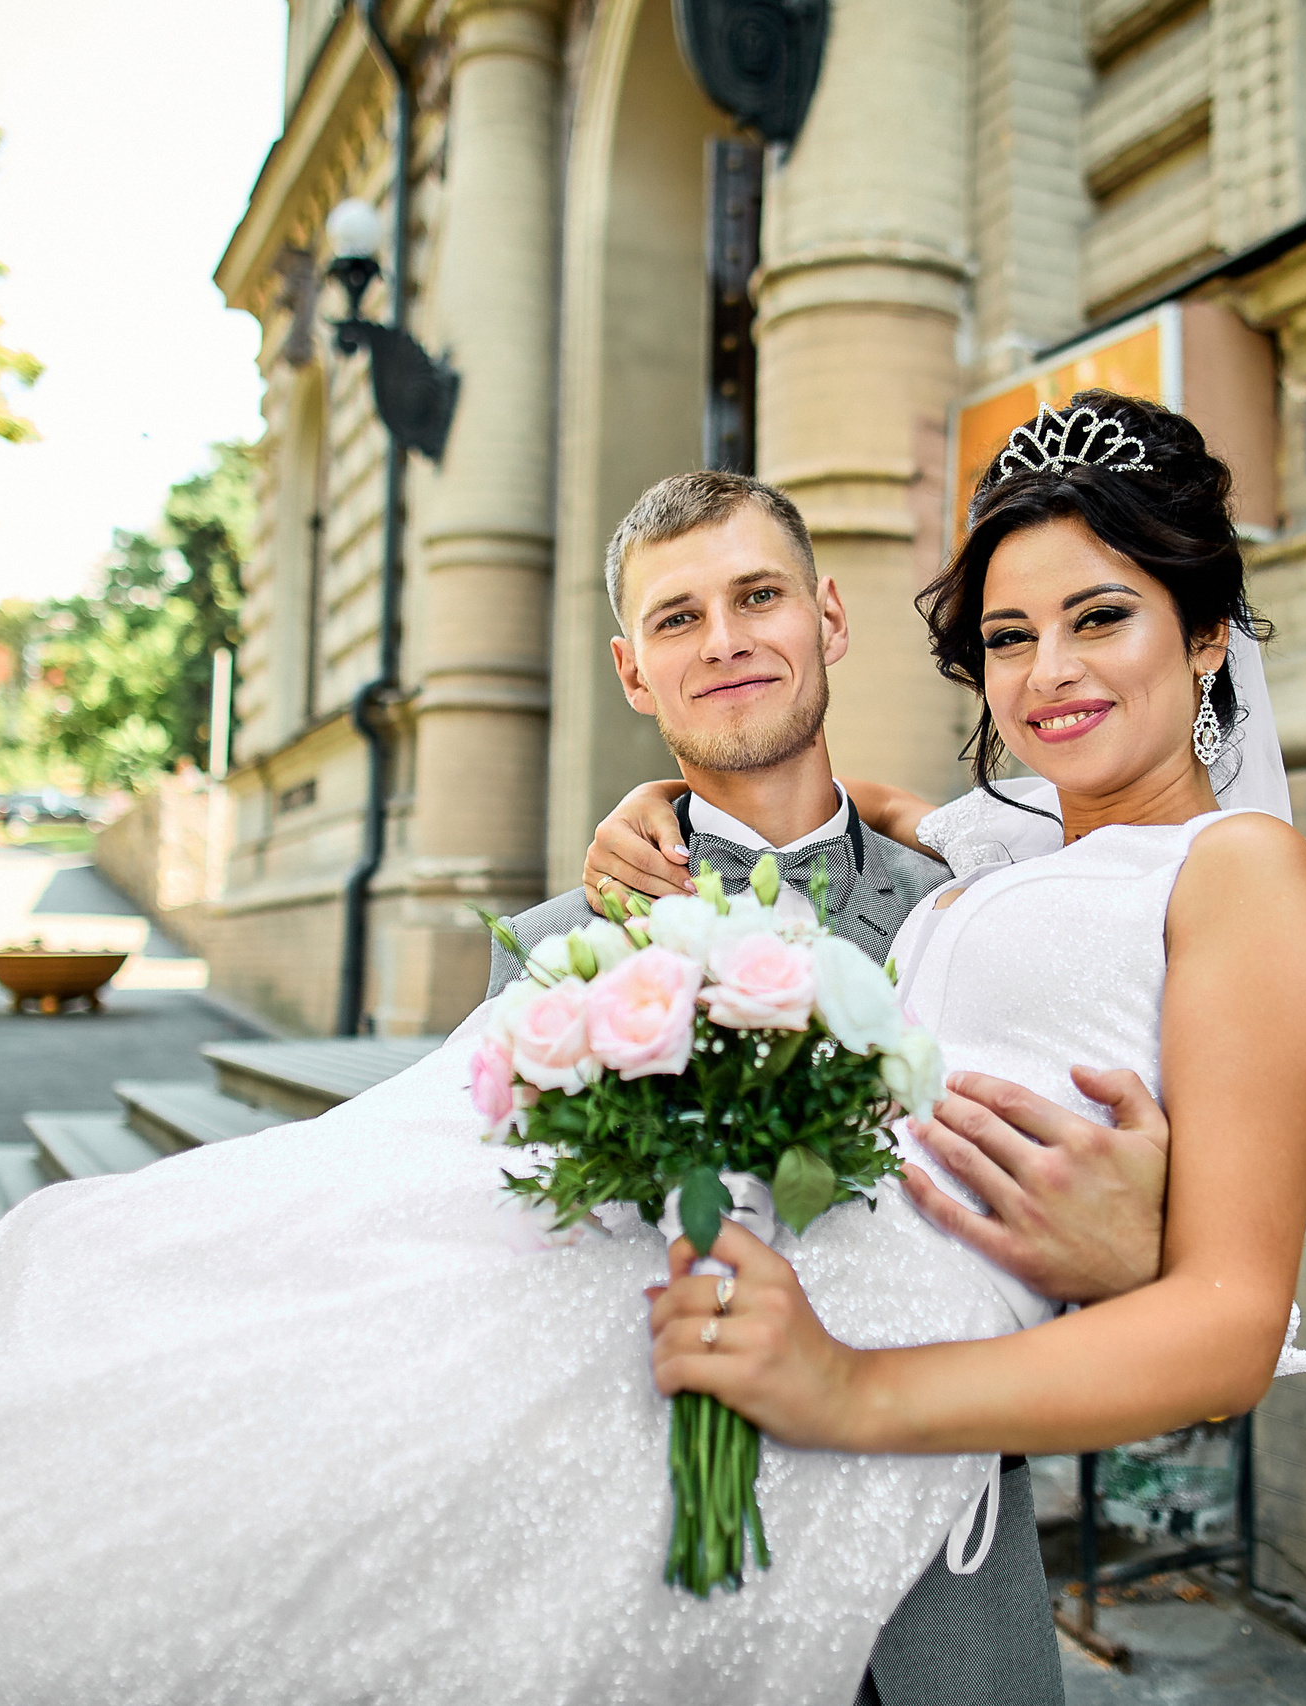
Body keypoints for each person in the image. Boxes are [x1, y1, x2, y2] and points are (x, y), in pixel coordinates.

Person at [0, 392, 1306, 1706]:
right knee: (111, 1357)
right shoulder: (965, 858)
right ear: (635, 676)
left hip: (895, 1531)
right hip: (570, 1439)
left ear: (1209, 633)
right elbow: (966, 884)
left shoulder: (1216, 876)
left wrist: (1146, 1253)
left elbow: (1216, 1274)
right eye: (1015, 635)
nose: (1049, 673)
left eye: (1104, 618)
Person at [490, 470, 1183, 1705]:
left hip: (943, 1613)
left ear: (830, 620)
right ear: (631, 671)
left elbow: (1155, 1288)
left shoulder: (981, 918)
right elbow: (502, 1293)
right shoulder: (552, 955)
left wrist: (1132, 1253)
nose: (726, 640)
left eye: (760, 596)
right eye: (676, 618)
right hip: (658, 1603)